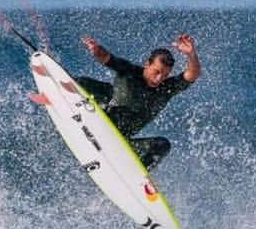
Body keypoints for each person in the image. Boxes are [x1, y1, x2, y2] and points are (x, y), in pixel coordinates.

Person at [76, 33, 201, 170]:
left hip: (120, 143)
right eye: (157, 72)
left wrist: (191, 55)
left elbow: (191, 75)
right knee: (84, 83)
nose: (159, 79)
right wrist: (96, 49)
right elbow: (106, 57)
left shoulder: (166, 89)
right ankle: (61, 96)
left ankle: (137, 177)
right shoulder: (129, 71)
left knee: (162, 144)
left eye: (165, 75)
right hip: (101, 120)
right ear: (147, 64)